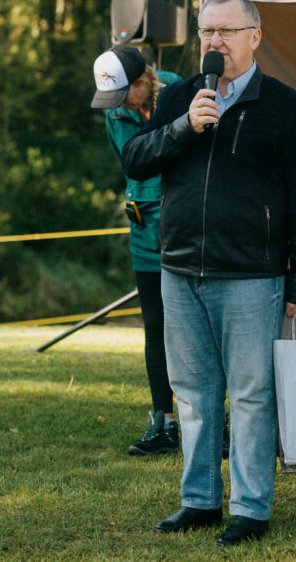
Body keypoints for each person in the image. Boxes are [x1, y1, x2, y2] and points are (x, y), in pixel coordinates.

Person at [121, 0, 296, 547]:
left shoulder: (285, 105)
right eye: (207, 31)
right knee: (192, 392)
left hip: (252, 276)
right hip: (180, 269)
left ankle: (250, 508)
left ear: (254, 36)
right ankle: (200, 500)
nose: (215, 42)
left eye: (227, 32)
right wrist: (184, 126)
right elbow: (135, 160)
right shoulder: (181, 96)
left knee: (252, 394)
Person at [91, 45, 182, 456]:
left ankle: (215, 421)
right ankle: (163, 423)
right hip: (144, 231)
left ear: (144, 79)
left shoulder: (179, 91)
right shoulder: (115, 111)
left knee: (199, 329)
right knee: (155, 328)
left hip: (185, 227)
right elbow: (129, 163)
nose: (118, 103)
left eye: (124, 93)